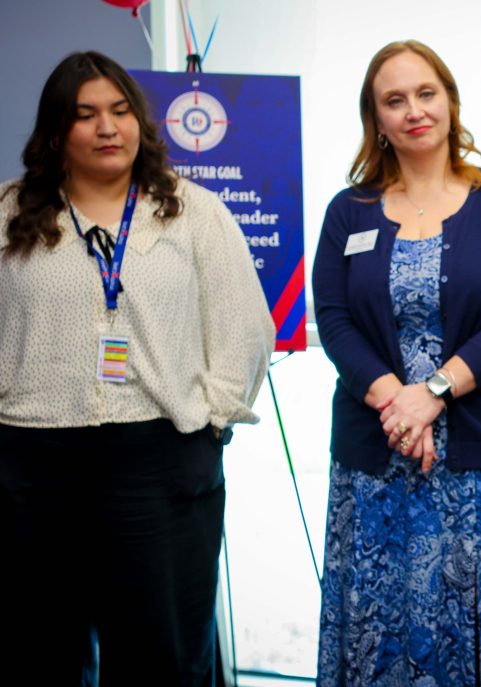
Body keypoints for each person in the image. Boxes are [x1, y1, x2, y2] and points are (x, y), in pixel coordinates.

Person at [0, 52, 275, 685]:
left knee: (163, 655)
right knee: (39, 650)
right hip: (33, 464)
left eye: (121, 112)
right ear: (55, 131)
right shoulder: (10, 214)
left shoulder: (192, 211)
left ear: (140, 123)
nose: (107, 128)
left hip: (158, 461)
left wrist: (212, 417)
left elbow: (244, 326)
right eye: (86, 114)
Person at [312, 40, 481, 685]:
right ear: (376, 118)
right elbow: (335, 320)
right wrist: (395, 399)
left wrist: (432, 392)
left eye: (426, 93)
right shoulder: (350, 211)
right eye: (394, 100)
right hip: (378, 464)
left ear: (450, 101)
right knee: (381, 632)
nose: (413, 110)